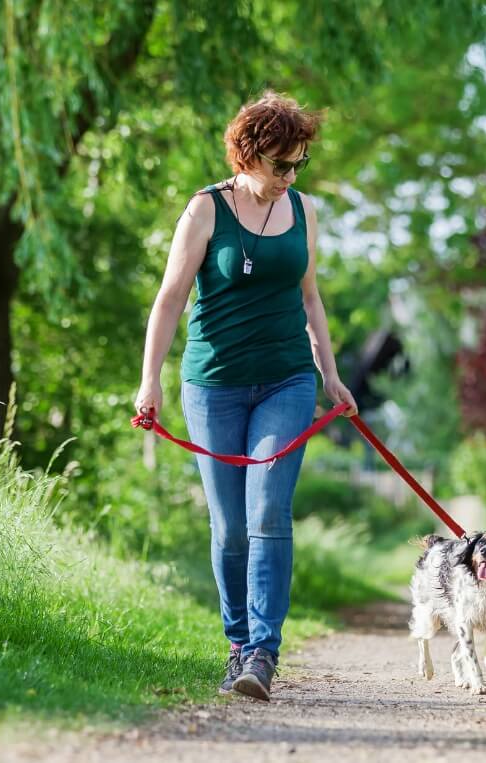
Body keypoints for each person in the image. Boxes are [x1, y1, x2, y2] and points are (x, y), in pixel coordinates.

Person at [134, 91, 358, 701]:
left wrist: (330, 375)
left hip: (287, 380)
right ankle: (237, 642)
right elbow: (171, 298)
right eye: (280, 165)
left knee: (267, 512)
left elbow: (311, 297)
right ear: (247, 155)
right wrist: (150, 379)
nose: (290, 177)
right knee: (230, 525)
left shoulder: (304, 210)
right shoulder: (206, 210)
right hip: (214, 385)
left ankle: (263, 651)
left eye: (299, 165)